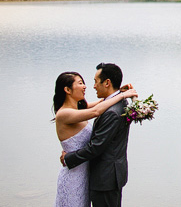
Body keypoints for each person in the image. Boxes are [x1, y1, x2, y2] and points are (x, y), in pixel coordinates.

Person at [53, 70, 136, 207]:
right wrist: (123, 95)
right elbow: (96, 111)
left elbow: (103, 103)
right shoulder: (64, 114)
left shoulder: (79, 109)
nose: (85, 86)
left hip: (86, 174)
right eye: (80, 83)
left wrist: (117, 92)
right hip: (74, 175)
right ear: (67, 90)